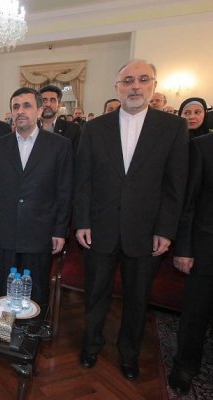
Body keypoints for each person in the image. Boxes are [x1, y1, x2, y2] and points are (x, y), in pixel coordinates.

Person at [75, 59, 189, 380]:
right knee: (95, 294)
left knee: (138, 299)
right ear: (117, 88)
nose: (135, 86)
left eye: (142, 79)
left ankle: (129, 354)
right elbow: (83, 181)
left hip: (146, 232)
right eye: (127, 81)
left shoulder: (172, 128)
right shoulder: (94, 128)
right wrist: (82, 221)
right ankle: (90, 346)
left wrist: (166, 230)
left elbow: (175, 184)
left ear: (153, 85)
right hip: (100, 230)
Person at [0, 87, 72, 312]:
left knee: (36, 290)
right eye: (16, 107)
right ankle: (6, 329)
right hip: (5, 230)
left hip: (40, 231)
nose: (20, 111)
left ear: (40, 110)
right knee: (5, 289)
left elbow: (64, 192)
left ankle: (33, 331)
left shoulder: (59, 145)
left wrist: (60, 231)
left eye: (26, 106)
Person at [167, 132, 213, 395]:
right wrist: (184, 248)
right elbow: (189, 202)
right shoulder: (203, 147)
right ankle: (185, 365)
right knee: (196, 312)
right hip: (207, 247)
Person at [39, 84, 81, 153]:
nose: (48, 104)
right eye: (44, 100)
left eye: (53, 100)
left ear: (59, 105)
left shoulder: (73, 129)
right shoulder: (30, 127)